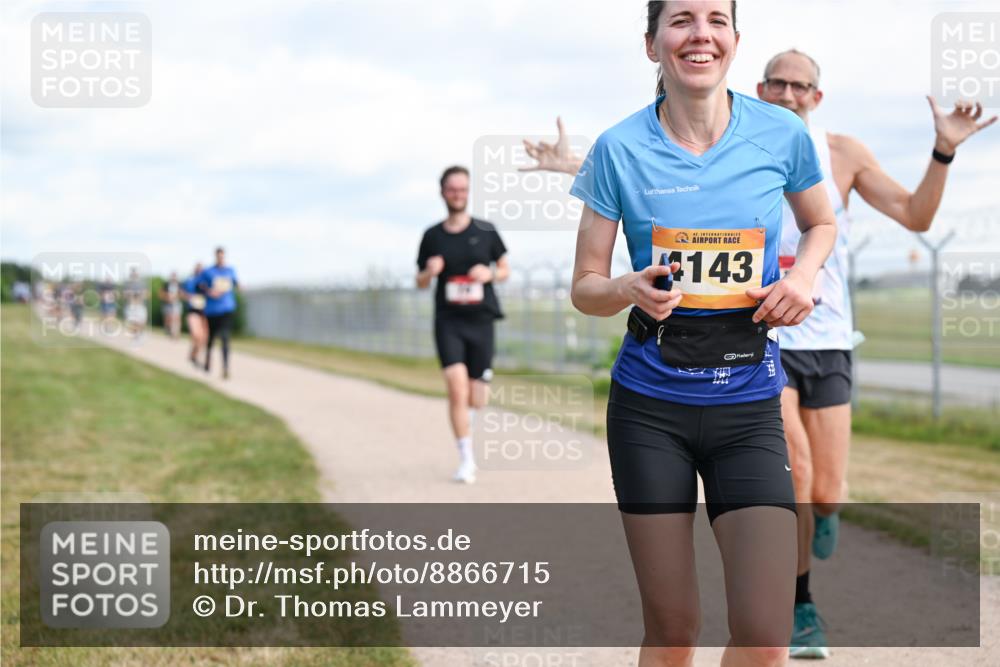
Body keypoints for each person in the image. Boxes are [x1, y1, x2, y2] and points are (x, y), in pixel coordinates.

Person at [568, 3, 836, 665]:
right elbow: (585, 286)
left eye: (717, 19)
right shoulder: (619, 148)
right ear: (653, 43)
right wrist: (629, 288)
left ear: (735, 41)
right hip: (649, 411)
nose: (700, 33)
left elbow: (821, 224)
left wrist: (801, 277)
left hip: (747, 409)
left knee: (765, 632)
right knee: (674, 628)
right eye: (681, 19)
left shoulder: (781, 134)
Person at [755, 48, 996, 659]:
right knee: (798, 477)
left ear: (817, 96)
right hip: (767, 337)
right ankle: (801, 605)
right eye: (775, 83)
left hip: (831, 339)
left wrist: (944, 150)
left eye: (799, 85)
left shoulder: (844, 154)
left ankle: (823, 517)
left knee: (829, 490)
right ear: (759, 90)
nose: (786, 93)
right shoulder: (738, 153)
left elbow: (917, 216)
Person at [416, 165, 510, 484]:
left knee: (476, 396)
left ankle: (470, 414)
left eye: (463, 189)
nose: (458, 194)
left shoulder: (485, 230)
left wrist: (491, 274)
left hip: (481, 320)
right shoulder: (432, 236)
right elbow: (419, 281)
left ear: (468, 192)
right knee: (456, 391)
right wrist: (430, 271)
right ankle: (466, 458)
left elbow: (505, 269)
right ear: (443, 192)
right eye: (452, 189)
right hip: (448, 321)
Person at [197, 248, 239, 379]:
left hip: (226, 308)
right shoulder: (208, 272)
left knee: (225, 338)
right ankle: (208, 359)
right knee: (211, 337)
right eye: (218, 256)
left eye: (222, 256)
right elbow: (199, 285)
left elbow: (235, 283)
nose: (221, 258)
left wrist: (239, 286)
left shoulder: (230, 270)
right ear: (215, 256)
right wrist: (209, 292)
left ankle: (225, 367)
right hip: (212, 310)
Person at [181, 262, 208, 368]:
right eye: (198, 269)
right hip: (193, 311)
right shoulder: (189, 281)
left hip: (204, 312)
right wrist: (189, 297)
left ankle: (193, 356)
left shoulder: (206, 282)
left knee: (204, 338)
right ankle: (193, 356)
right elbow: (181, 292)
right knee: (196, 335)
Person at [159, 272, 182, 339]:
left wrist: (176, 297)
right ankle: (168, 331)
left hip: (176, 304)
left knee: (177, 318)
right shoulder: (166, 284)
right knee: (168, 318)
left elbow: (181, 293)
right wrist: (167, 298)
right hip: (167, 304)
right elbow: (161, 293)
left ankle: (177, 333)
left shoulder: (179, 284)